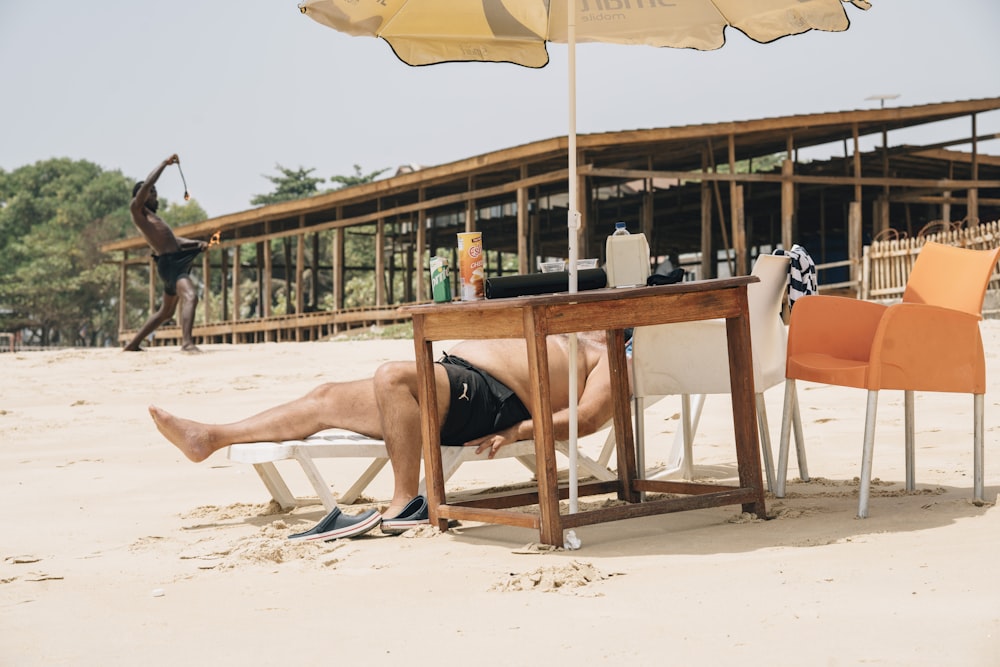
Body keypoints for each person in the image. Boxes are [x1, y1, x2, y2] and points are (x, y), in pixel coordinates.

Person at [149, 332, 617, 540]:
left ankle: (406, 503)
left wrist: (524, 430)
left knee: (394, 376)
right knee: (327, 397)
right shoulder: (563, 325)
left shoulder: (611, 356)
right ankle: (210, 437)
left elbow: (591, 417)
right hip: (457, 379)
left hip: (496, 400)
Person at [123, 154, 207, 353]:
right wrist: (164, 164)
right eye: (150, 192)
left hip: (172, 262)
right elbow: (145, 187)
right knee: (191, 297)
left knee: (165, 313)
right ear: (141, 197)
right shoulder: (138, 211)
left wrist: (196, 243)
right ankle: (187, 343)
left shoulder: (154, 219)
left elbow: (174, 241)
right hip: (171, 265)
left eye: (155, 192)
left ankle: (133, 344)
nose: (154, 195)